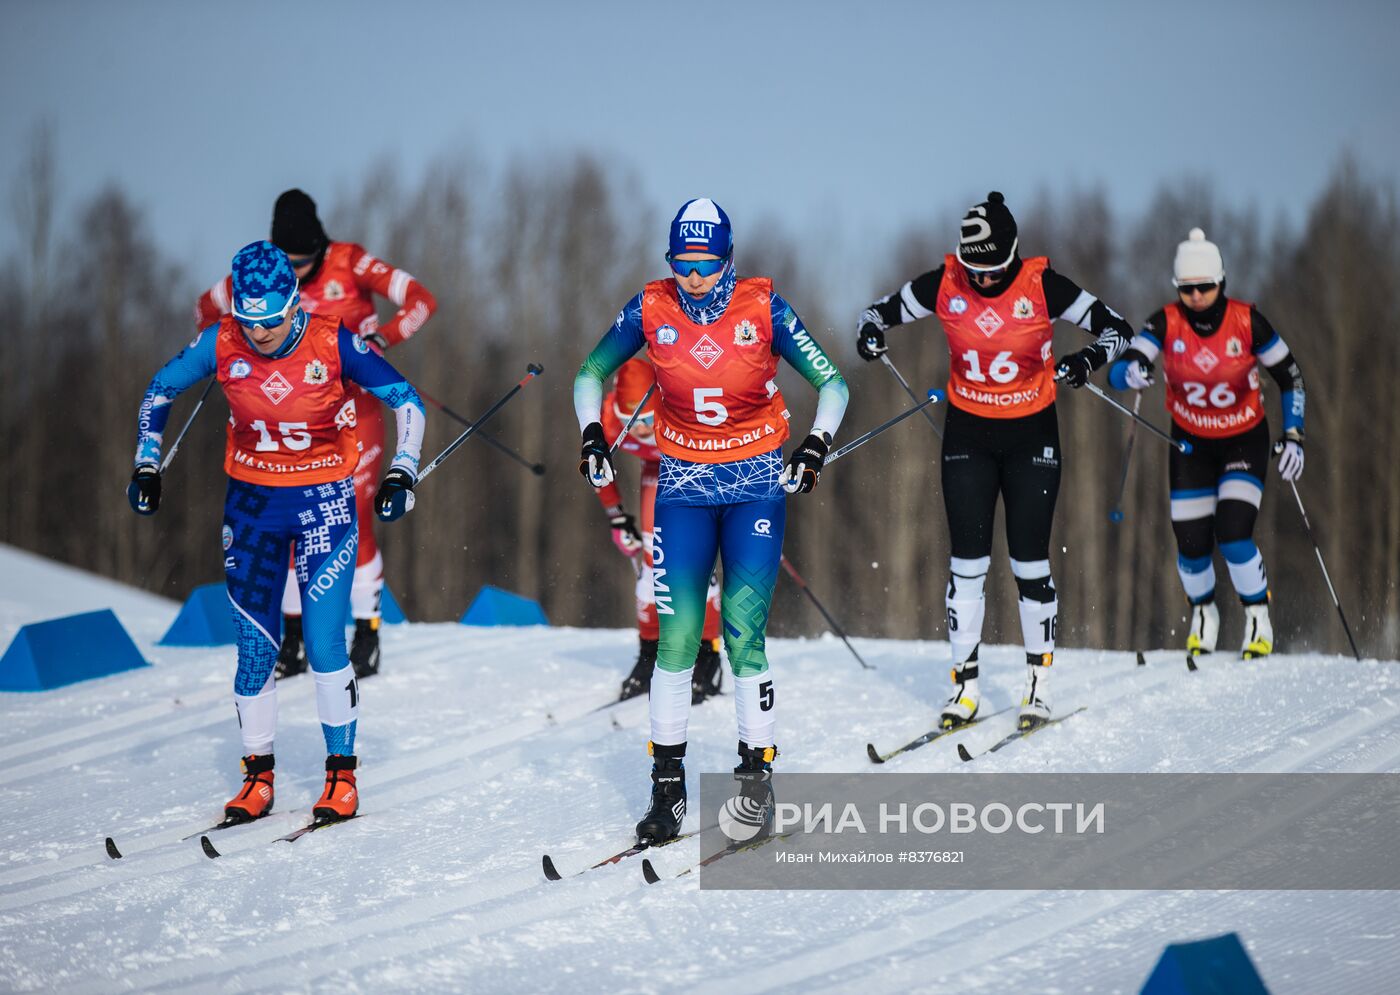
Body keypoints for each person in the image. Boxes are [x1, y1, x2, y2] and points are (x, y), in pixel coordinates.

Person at [574, 198, 848, 845]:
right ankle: (666, 791)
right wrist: (592, 433)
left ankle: (756, 783)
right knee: (678, 640)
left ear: (727, 259)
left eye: (705, 265)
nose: (693, 278)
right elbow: (590, 372)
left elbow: (833, 382)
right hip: (683, 489)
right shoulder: (650, 307)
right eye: (682, 264)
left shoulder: (764, 307)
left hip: (754, 487)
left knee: (745, 634)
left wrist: (815, 445)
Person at [131, 240, 426, 824]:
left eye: (269, 321)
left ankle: (341, 777)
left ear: (293, 302)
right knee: (253, 652)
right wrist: (146, 461)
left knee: (322, 645)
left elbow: (408, 402)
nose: (259, 333)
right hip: (252, 507)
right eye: (249, 320)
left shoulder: (332, 340)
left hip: (323, 504)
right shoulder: (223, 341)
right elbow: (159, 391)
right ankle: (257, 778)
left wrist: (402, 470)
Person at [856, 191, 1133, 732]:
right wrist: (871, 333)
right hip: (969, 432)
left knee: (1029, 560)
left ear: (1011, 256)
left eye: (992, 270)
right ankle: (964, 685)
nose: (981, 280)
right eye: (973, 268)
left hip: (1032, 433)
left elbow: (1116, 328)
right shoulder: (946, 282)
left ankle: (1038, 683)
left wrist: (1086, 360)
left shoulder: (1042, 284)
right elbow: (877, 312)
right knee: (967, 566)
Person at [196, 189, 437, 680]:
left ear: (319, 247)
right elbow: (205, 307)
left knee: (356, 516)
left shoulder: (351, 262)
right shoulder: (263, 269)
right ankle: (291, 638)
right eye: (290, 262)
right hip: (289, 419)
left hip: (357, 409)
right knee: (287, 529)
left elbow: (421, 300)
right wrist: (229, 342)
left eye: (305, 261)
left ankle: (367, 631)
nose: (297, 271)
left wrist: (383, 338)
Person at [1109, 228, 1305, 660]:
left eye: (1204, 287)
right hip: (1191, 445)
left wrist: (1294, 435)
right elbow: (1121, 368)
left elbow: (1289, 375)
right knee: (1192, 543)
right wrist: (1133, 371)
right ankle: (1204, 613)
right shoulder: (1166, 322)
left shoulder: (1247, 321)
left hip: (1243, 440)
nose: (1196, 296)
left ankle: (1257, 616)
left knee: (1233, 532)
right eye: (1187, 288)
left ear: (1221, 282)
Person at [595, 357, 726, 703]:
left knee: (694, 563)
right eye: (630, 422)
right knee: (654, 563)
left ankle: (707, 654)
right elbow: (598, 471)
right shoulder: (608, 418)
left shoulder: (681, 405)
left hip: (697, 467)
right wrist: (617, 517)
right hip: (656, 469)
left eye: (647, 420)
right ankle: (650, 651)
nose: (638, 429)